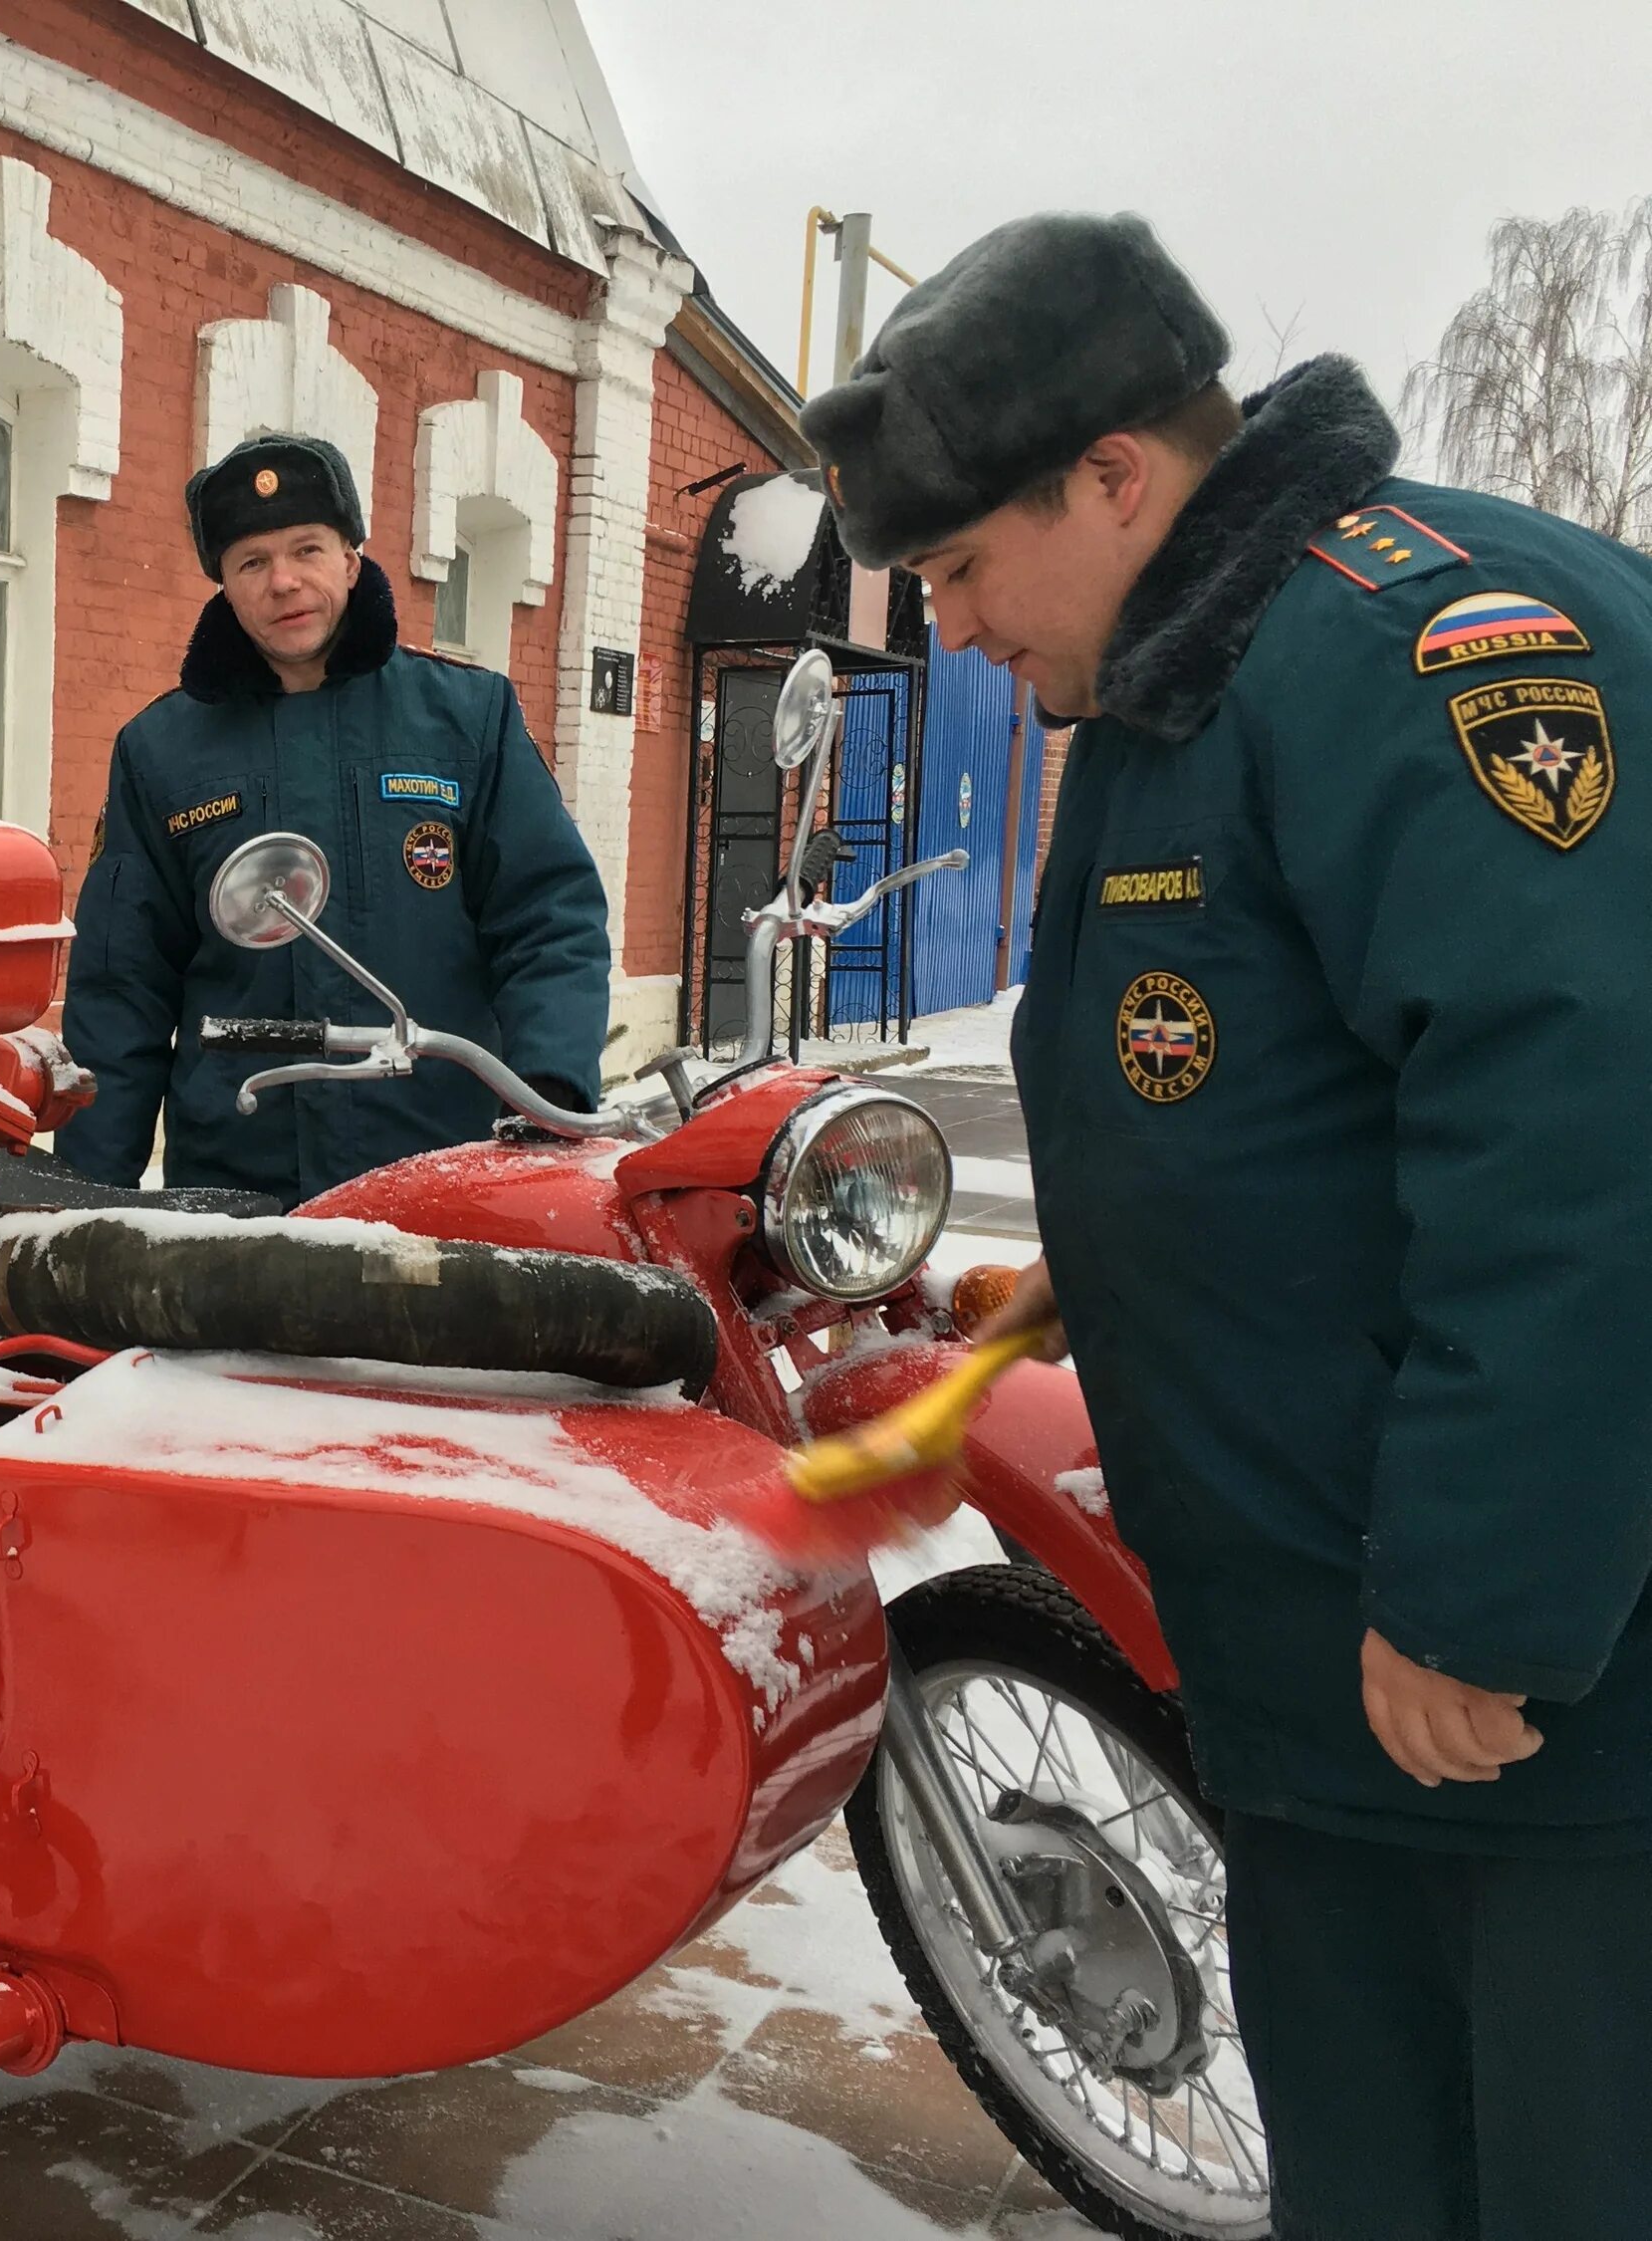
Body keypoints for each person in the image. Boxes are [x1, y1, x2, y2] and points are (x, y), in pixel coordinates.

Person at [805, 212, 1652, 2240]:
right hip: (1322, 1673)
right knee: (1376, 2182)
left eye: (957, 572)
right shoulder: (1193, 678)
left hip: (1522, 1710)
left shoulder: (1419, 654)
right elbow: (1255, 1094)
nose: (955, 630)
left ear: (1113, 476)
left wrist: (1480, 1602)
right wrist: (1093, 1282)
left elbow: (1581, 1150)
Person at [56, 434, 611, 1202]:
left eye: (306, 549)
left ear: (350, 559)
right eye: (252, 561)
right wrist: (87, 1195)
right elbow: (122, 987)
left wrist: (549, 1104)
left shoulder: (465, 719)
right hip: (240, 1194)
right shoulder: (162, 752)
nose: (283, 581)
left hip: (443, 1173)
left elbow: (549, 919)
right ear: (224, 583)